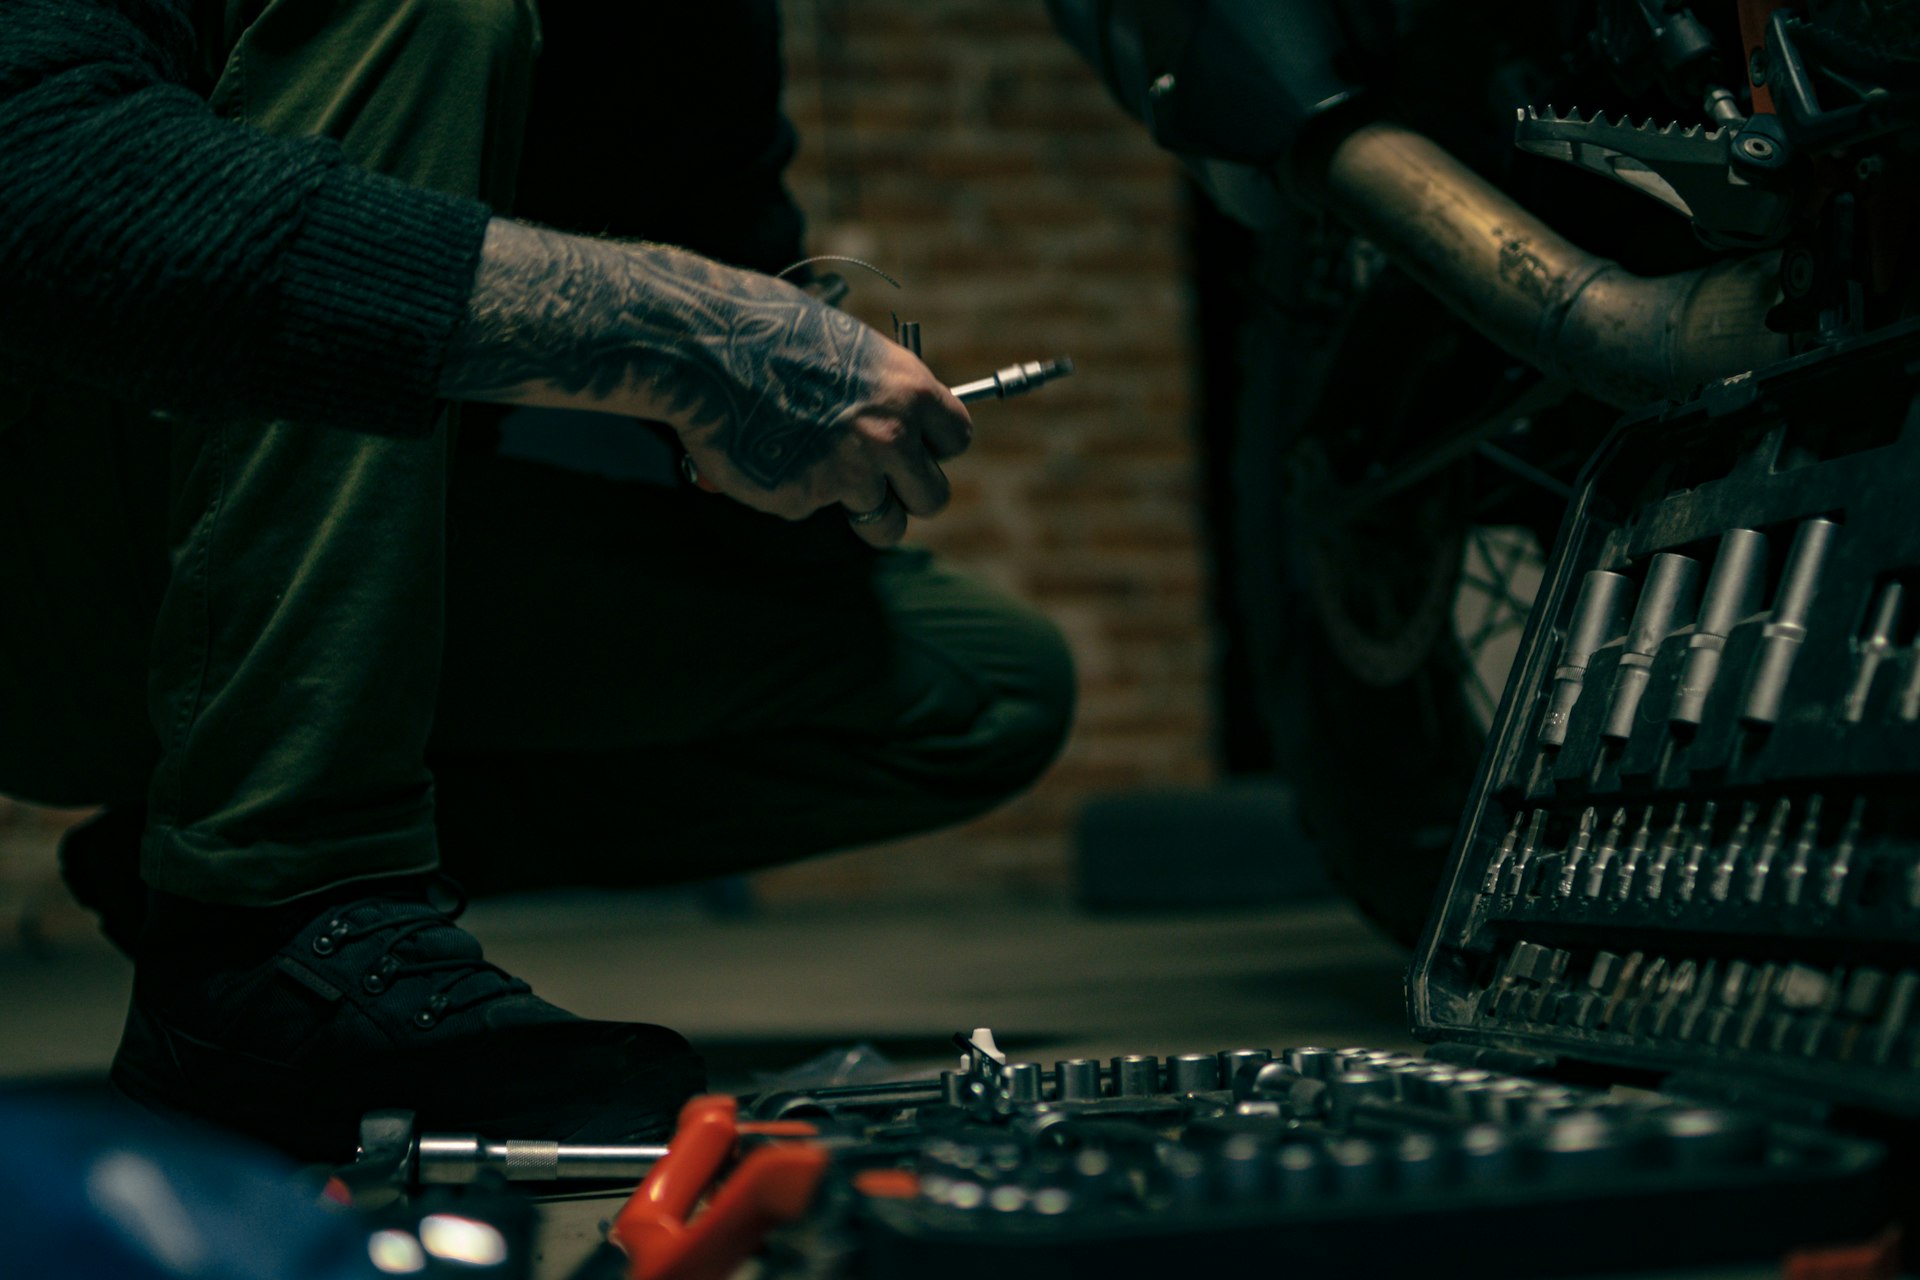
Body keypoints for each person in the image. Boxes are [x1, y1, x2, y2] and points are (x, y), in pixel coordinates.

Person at [0, 0, 1075, 1160]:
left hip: (291, 575)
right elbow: (34, 174)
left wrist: (795, 455)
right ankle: (269, 920)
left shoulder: (695, 30)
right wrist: (680, 334)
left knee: (981, 685)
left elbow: (738, 273)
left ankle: (198, 855)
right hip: (48, 559)